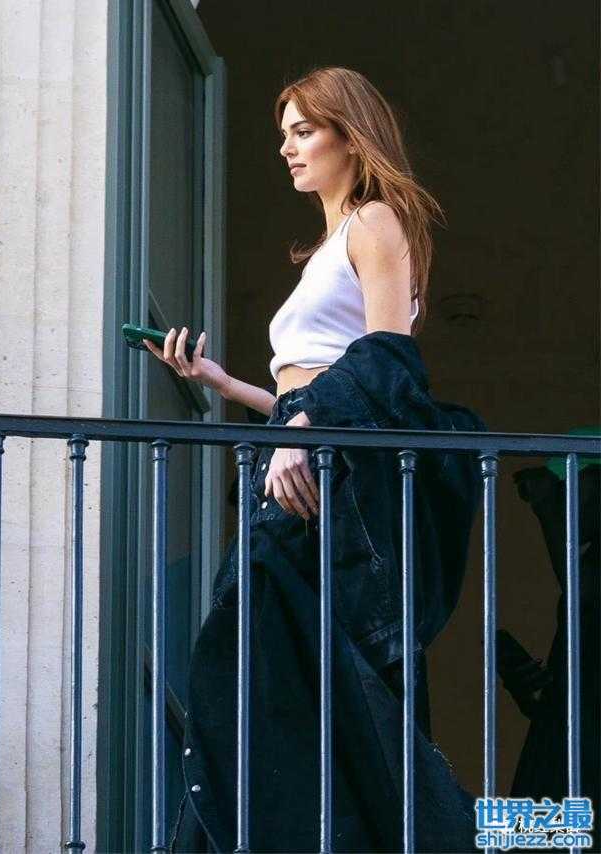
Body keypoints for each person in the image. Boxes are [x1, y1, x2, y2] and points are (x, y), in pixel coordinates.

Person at [144, 66, 486, 853]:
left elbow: (389, 361)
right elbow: (309, 385)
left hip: (329, 479)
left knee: (300, 682)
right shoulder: (327, 248)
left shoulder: (376, 221)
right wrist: (226, 384)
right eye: (285, 134)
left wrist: (305, 431)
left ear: (350, 137)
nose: (287, 148)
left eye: (304, 131)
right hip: (301, 463)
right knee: (270, 679)